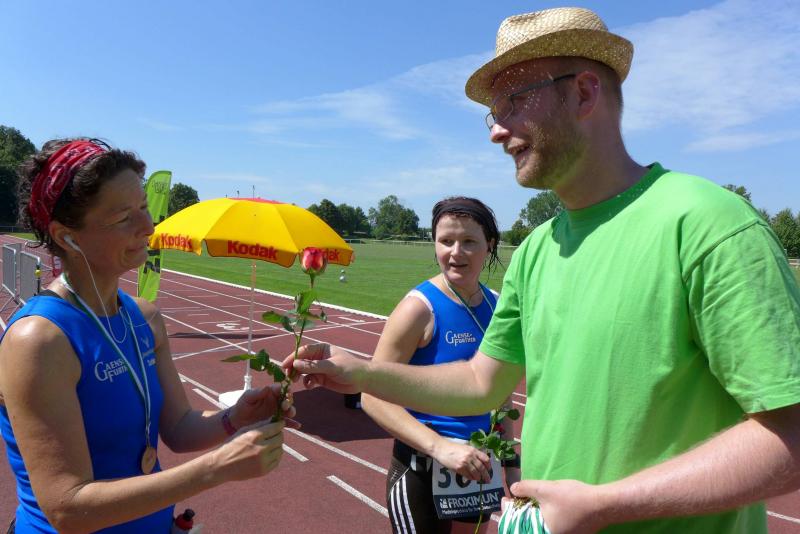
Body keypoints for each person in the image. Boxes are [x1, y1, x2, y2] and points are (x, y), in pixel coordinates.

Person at [284, 7, 800, 533]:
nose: (496, 131)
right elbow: (482, 382)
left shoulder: (709, 225)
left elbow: (791, 434)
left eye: (513, 102)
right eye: (493, 112)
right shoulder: (536, 250)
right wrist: (361, 372)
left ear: (583, 93)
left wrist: (606, 505)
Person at [0, 138, 296, 533]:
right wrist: (216, 468)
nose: (148, 226)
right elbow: (66, 508)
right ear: (67, 236)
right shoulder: (39, 339)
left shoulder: (145, 318)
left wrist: (236, 417)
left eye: (143, 207)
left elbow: (179, 427)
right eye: (125, 217)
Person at [361, 197, 516, 533]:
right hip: (421, 472)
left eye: (469, 241)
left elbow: (500, 394)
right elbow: (371, 395)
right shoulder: (418, 309)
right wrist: (441, 448)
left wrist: (513, 467)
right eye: (446, 241)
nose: (456, 252)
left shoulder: (498, 307)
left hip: (478, 469)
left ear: (490, 245)